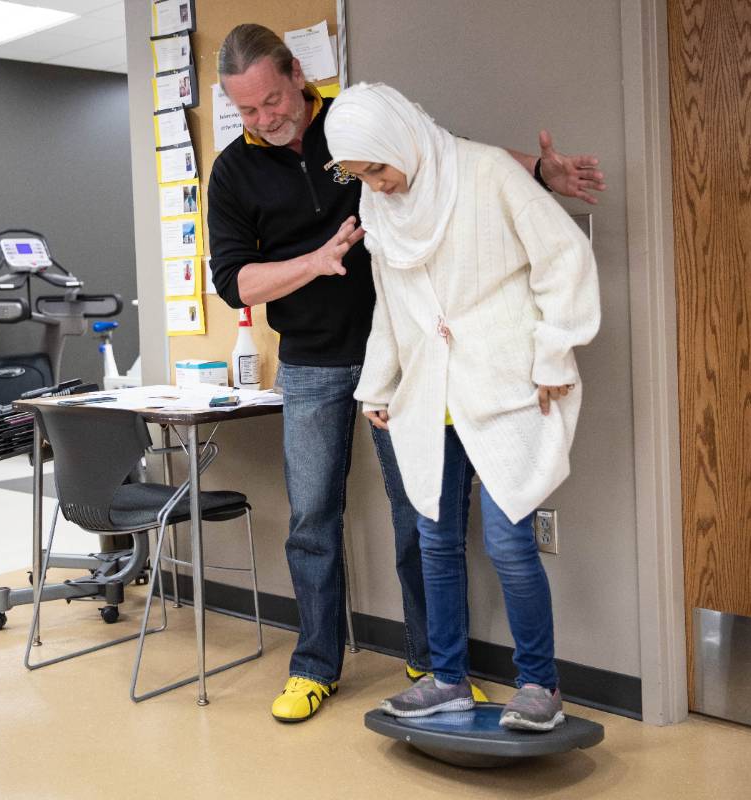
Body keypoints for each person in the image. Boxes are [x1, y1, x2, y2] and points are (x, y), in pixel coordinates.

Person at [207, 23, 606, 724]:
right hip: (319, 361)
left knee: (424, 517)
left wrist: (537, 174)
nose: (264, 119)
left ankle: (433, 661)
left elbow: (441, 152)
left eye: (272, 100)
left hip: (424, 358)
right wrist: (316, 263)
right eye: (246, 111)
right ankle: (317, 667)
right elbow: (234, 282)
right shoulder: (240, 172)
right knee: (316, 520)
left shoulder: (348, 136)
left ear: (297, 75)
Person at [324, 82, 600, 730]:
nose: (378, 185)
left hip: (505, 383)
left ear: (401, 141)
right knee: (435, 540)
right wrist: (379, 383)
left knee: (508, 543)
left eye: (379, 167)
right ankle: (447, 679)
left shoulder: (484, 173)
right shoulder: (380, 206)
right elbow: (392, 307)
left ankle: (540, 686)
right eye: (363, 175)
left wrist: (555, 354)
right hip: (431, 394)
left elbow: (564, 257)